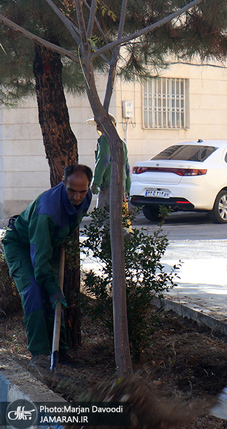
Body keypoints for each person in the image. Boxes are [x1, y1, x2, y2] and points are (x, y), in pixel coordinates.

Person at [2, 164, 93, 371]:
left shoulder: (86, 197)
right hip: (20, 245)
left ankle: (59, 351)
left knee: (55, 293)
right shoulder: (47, 211)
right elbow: (39, 259)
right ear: (62, 182)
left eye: (82, 191)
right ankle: (39, 354)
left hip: (48, 244)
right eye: (72, 191)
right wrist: (51, 286)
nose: (77, 197)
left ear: (88, 186)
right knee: (34, 289)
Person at [88, 114, 131, 211]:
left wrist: (96, 181)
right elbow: (126, 167)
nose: (97, 128)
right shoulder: (121, 142)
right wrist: (128, 187)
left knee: (102, 215)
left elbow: (104, 160)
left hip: (109, 184)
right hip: (121, 185)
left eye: (99, 125)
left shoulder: (104, 139)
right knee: (120, 214)